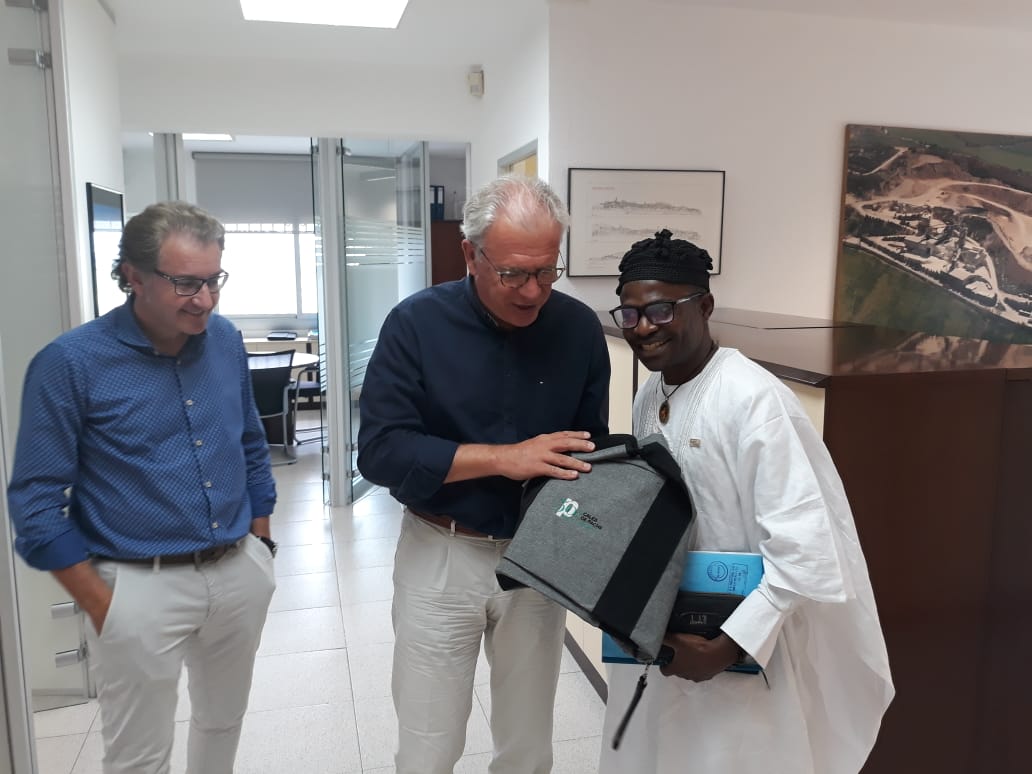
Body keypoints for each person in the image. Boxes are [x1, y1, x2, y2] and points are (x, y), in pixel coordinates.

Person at [599, 229, 894, 774]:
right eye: (631, 313)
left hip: (739, 646)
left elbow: (804, 552)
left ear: (705, 306)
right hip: (669, 629)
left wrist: (732, 645)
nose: (642, 328)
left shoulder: (754, 400)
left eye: (662, 310)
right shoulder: (650, 393)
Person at [7, 201, 278, 774]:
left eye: (214, 280)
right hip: (136, 585)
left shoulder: (225, 341)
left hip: (237, 570)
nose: (204, 300)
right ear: (133, 275)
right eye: (185, 283)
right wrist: (103, 606)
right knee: (139, 758)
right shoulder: (69, 364)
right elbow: (35, 503)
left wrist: (261, 543)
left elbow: (250, 443)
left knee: (223, 722)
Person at [357, 175, 610, 774]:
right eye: (514, 274)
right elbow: (380, 452)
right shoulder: (415, 324)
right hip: (440, 552)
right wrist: (502, 458)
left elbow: (588, 451)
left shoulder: (578, 329)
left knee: (527, 745)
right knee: (429, 743)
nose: (533, 291)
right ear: (471, 254)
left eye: (546, 271)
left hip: (536, 557)